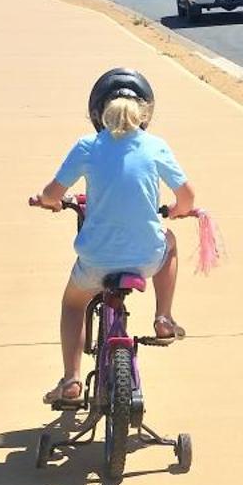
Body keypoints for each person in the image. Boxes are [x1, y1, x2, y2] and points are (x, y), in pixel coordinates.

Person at [32, 68, 196, 406]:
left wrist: (49, 202)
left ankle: (72, 380)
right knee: (170, 242)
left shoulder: (88, 146)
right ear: (145, 112)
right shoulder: (155, 147)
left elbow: (52, 192)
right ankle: (163, 316)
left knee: (73, 303)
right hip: (146, 258)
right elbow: (188, 197)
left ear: (97, 111)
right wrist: (178, 210)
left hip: (97, 260)